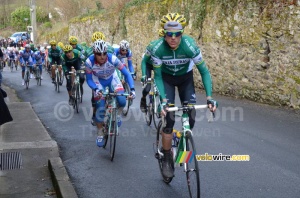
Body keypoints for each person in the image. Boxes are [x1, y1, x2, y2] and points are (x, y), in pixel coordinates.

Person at [145, 13, 218, 178]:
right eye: (169, 34)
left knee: (190, 116)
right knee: (169, 119)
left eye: (177, 34)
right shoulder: (157, 49)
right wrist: (163, 101)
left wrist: (209, 97)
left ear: (182, 33)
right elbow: (157, 77)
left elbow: (204, 72)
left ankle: (182, 149)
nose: (173, 38)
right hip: (166, 80)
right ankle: (166, 158)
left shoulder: (190, 46)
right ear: (164, 34)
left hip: (186, 79)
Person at [85, 40, 136, 147]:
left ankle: (117, 115)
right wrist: (96, 89)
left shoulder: (113, 58)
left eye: (104, 53)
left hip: (112, 78)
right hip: (98, 81)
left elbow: (126, 74)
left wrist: (132, 89)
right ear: (94, 53)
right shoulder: (89, 62)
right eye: (99, 54)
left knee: (122, 101)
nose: (102, 56)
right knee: (100, 108)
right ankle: (100, 132)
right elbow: (89, 79)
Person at [140, 29, 165, 112]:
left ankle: (162, 107)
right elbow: (144, 61)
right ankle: (143, 99)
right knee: (147, 88)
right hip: (148, 65)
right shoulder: (153, 46)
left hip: (159, 67)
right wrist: (144, 75)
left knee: (162, 88)